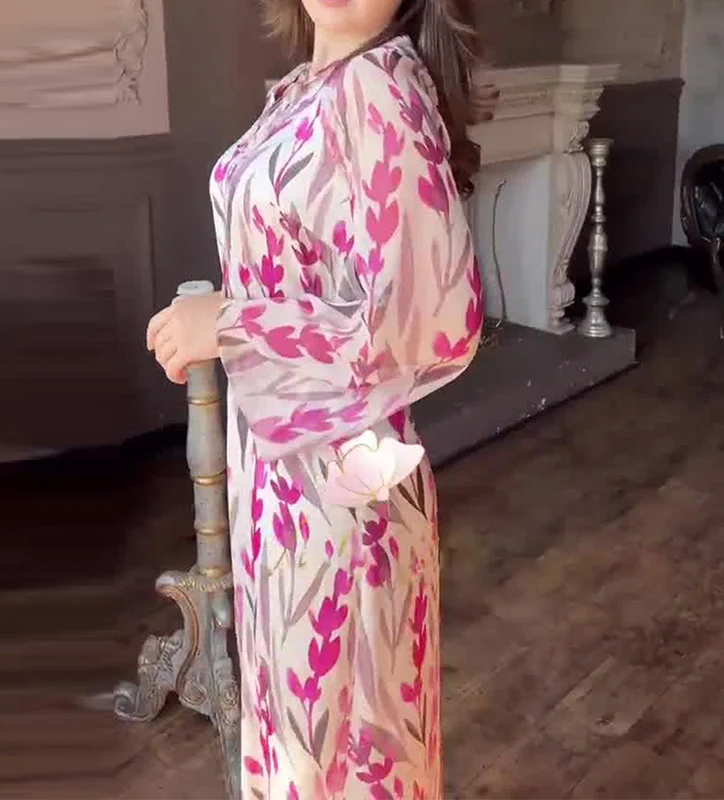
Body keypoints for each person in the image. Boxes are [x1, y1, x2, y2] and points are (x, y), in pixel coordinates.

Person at [146, 0, 490, 796]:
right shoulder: (310, 85)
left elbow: (433, 320)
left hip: (340, 497)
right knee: (308, 747)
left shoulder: (377, 89)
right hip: (283, 481)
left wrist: (228, 322)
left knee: (341, 759)